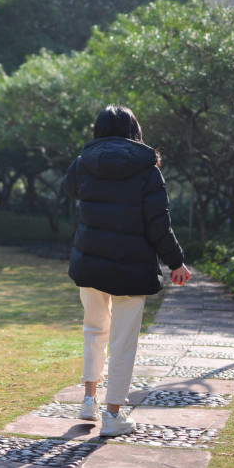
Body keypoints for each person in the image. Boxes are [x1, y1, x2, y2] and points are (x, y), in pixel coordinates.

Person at [61, 105, 191, 437]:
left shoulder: (84, 163)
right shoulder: (148, 169)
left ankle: (88, 400)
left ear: (98, 130)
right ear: (135, 130)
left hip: (90, 262)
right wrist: (175, 262)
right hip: (132, 268)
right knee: (122, 341)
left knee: (94, 331)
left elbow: (69, 189)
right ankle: (113, 415)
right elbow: (159, 225)